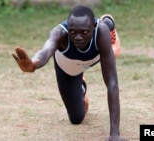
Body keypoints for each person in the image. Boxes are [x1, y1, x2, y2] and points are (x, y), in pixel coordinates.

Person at [12, 5, 126, 141]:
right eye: (73, 32)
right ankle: (81, 85)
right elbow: (46, 51)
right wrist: (34, 64)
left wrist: (115, 134)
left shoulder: (101, 32)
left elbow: (112, 83)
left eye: (83, 32)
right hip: (69, 68)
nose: (77, 37)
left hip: (95, 57)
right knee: (76, 118)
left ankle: (109, 24)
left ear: (94, 27)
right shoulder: (59, 33)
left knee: (112, 51)